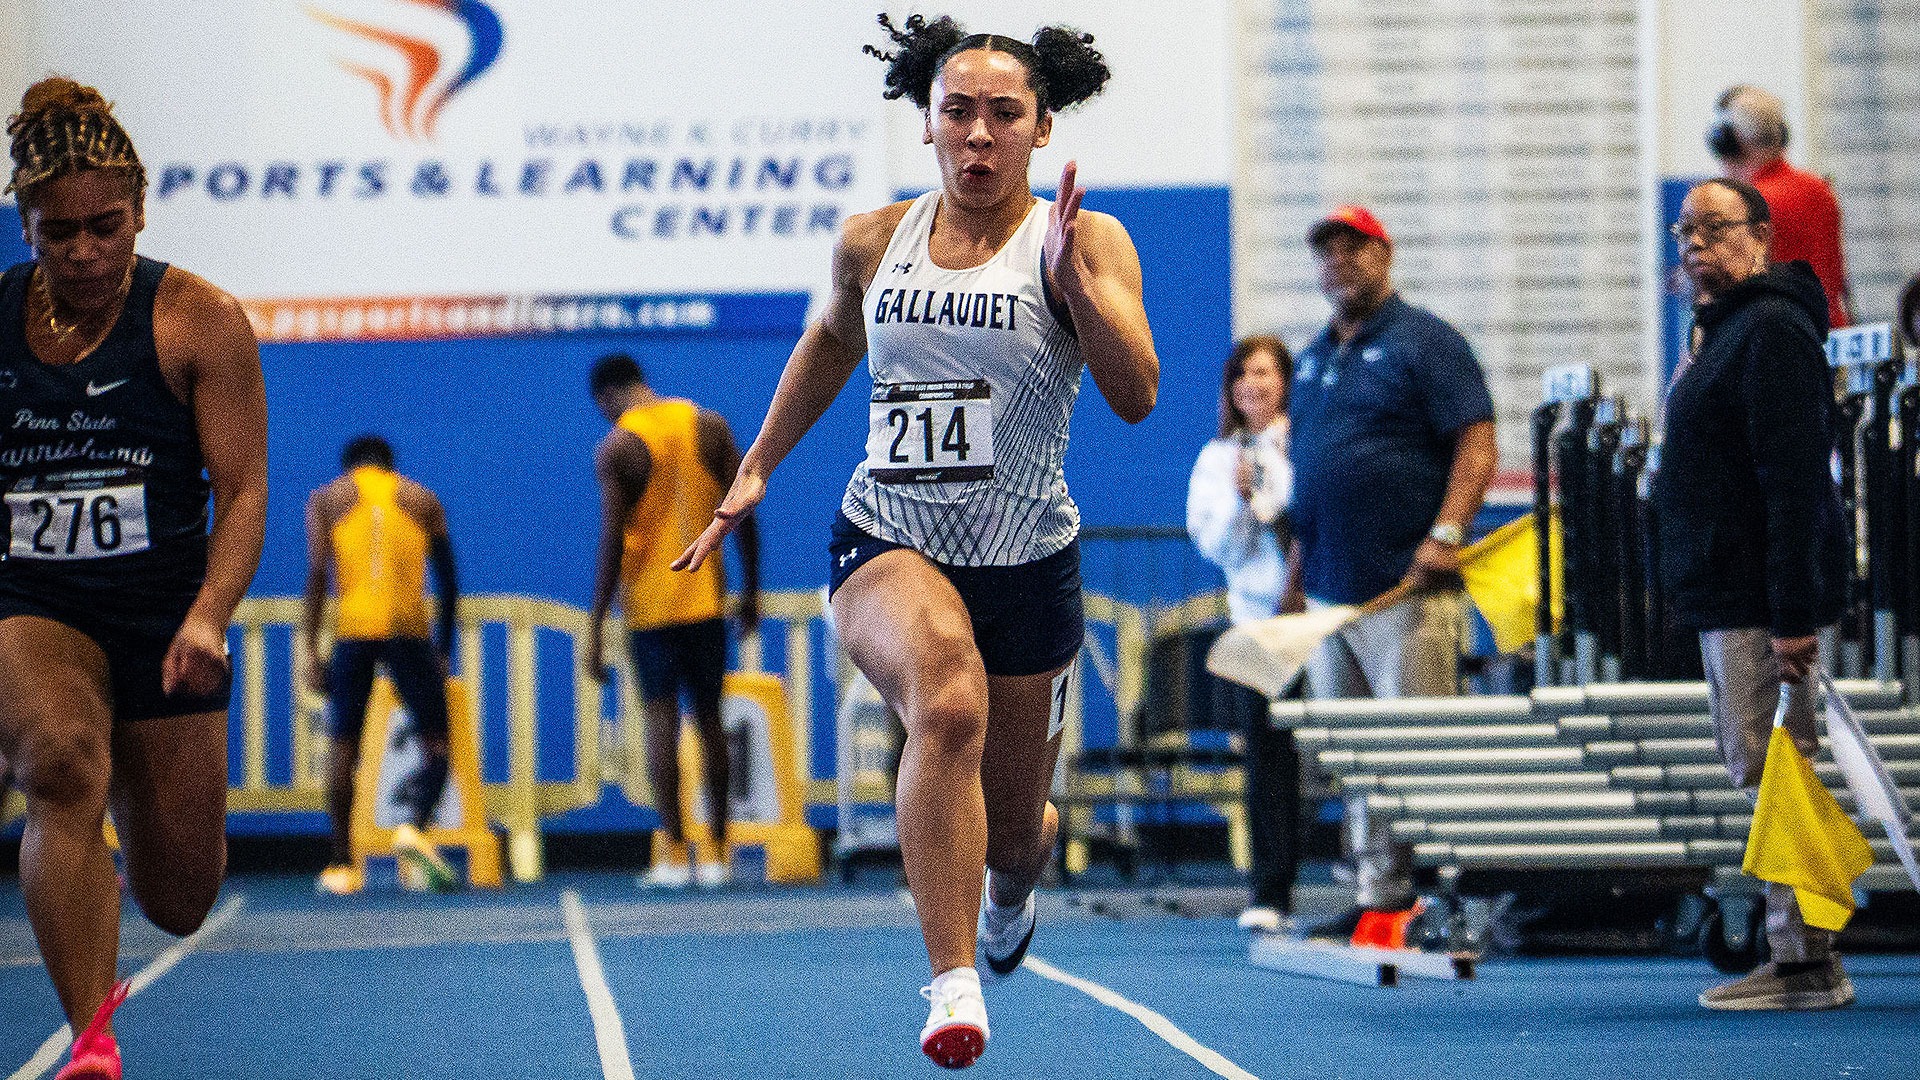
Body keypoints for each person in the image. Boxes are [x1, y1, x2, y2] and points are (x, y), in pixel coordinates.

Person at [674, 14, 1155, 1068]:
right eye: (958, 113)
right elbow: (830, 340)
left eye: (1004, 116)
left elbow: (1137, 397)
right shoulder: (869, 240)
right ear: (928, 123)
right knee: (945, 702)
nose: (979, 136)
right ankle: (950, 985)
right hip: (888, 535)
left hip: (1025, 558)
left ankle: (1012, 886)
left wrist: (1075, 282)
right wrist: (756, 466)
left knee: (1018, 830)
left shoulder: (1088, 239)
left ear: (1039, 128)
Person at [0, 78, 268, 1080]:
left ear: (141, 209)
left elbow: (242, 492)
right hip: (31, 597)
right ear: (25, 222)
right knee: (60, 761)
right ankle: (92, 1042)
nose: (82, 252)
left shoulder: (199, 321)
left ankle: (96, 834)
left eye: (104, 226)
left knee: (182, 897)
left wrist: (208, 615)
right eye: (55, 231)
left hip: (163, 609)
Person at [1653, 178, 1852, 1010]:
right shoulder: (1725, 330)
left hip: (1762, 603)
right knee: (1763, 768)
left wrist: (1792, 616)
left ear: (1761, 236)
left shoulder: (1770, 330)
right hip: (1730, 593)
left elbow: (1794, 481)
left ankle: (1805, 963)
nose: (1696, 244)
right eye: (1685, 231)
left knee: (1781, 772)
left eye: (1715, 229)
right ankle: (1797, 952)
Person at [1281, 204, 1496, 937]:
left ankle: (1455, 893)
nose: (1339, 261)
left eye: (1354, 248)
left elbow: (1476, 440)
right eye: (1327, 252)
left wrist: (1447, 531)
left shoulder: (1427, 343)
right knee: (1357, 755)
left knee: (1421, 747)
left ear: (1385, 255)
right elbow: (1310, 472)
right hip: (1330, 596)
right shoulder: (1313, 355)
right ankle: (1382, 894)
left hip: (1407, 587)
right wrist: (1295, 577)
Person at [585, 353, 760, 890]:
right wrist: (750, 589)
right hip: (705, 599)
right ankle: (719, 851)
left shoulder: (618, 446)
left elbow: (613, 540)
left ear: (607, 395)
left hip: (651, 607)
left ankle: (674, 852)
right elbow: (742, 508)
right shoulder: (708, 426)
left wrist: (595, 627)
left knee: (661, 726)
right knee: (710, 723)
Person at [302, 435, 459, 895]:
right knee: (436, 744)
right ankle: (414, 825)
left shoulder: (328, 499)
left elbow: (316, 575)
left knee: (342, 748)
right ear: (390, 464)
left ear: (350, 465)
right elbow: (448, 579)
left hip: (353, 632)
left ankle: (342, 863)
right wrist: (444, 645)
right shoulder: (420, 497)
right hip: (408, 631)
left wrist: (312, 649)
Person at [1187, 335, 1300, 932]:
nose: (1253, 385)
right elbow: (1217, 545)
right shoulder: (1215, 459)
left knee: (1348, 744)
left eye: (1265, 373)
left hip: (1322, 617)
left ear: (1286, 381)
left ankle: (1378, 882)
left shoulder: (1309, 442)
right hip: (1257, 625)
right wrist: (1237, 499)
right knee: (1268, 753)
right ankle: (1271, 890)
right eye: (1242, 376)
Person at [1708, 85, 1850, 330]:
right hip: (1828, 337)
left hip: (1776, 339)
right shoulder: (1819, 189)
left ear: (1732, 143)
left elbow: (1729, 290)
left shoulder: (1746, 204)